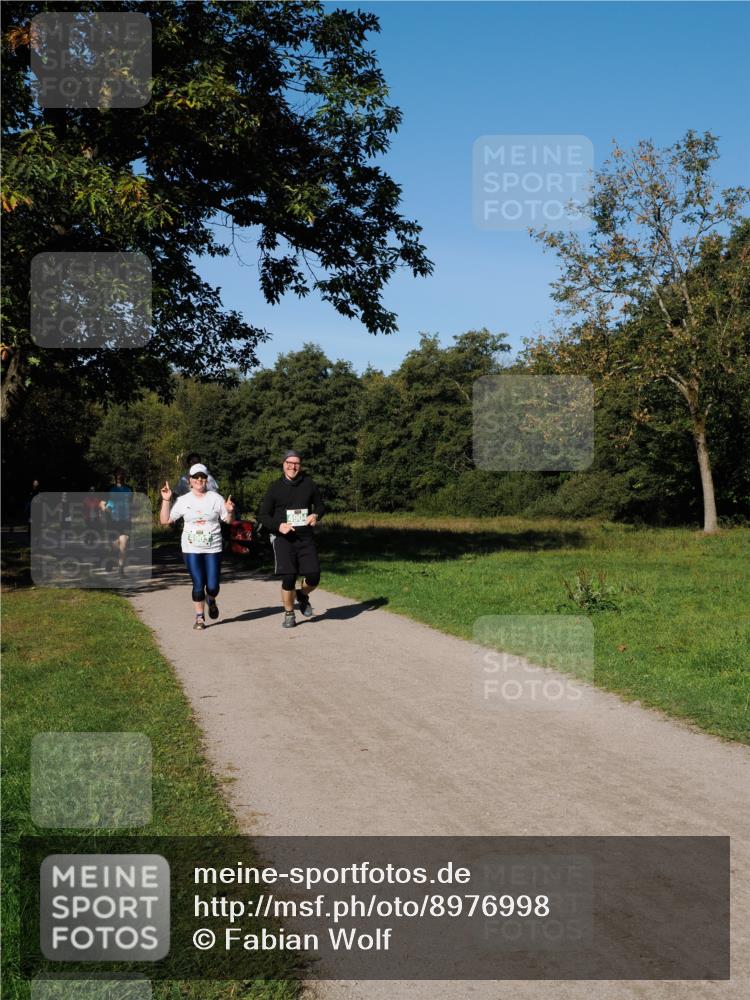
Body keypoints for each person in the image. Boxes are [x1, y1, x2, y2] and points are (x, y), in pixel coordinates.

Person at [160, 463, 234, 630]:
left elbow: (227, 520)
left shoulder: (216, 498)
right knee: (198, 584)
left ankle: (211, 599)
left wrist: (229, 511)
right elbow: (165, 520)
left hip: (213, 548)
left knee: (213, 586)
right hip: (191, 548)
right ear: (190, 481)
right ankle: (199, 618)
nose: (200, 480)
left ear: (207, 480)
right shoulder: (183, 500)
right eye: (196, 477)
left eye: (203, 477)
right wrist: (166, 500)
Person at [258, 450, 325, 628]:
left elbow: (320, 505)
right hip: (283, 538)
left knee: (314, 576)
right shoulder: (275, 487)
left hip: (305, 537)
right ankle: (289, 613)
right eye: (289, 463)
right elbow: (263, 515)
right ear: (283, 464)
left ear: (300, 466)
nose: (292, 466)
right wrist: (278, 526)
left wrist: (316, 515)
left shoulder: (309, 484)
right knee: (289, 576)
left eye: (296, 463)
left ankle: (302, 595)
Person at [101, 468, 133, 577]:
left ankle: (121, 570)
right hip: (112, 521)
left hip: (125, 521)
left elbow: (130, 505)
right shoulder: (109, 489)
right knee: (114, 546)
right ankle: (109, 559)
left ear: (125, 476)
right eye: (118, 474)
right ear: (115, 476)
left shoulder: (129, 489)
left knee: (124, 544)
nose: (120, 476)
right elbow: (101, 503)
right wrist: (105, 510)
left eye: (122, 474)